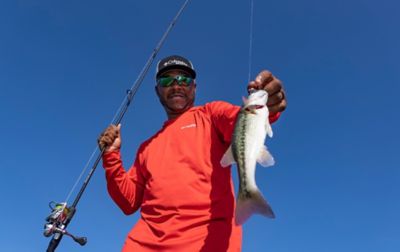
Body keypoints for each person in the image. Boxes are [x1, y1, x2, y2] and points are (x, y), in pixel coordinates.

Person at [98, 55, 287, 252]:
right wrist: (111, 156)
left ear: (194, 87)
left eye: (184, 79)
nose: (176, 85)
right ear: (157, 91)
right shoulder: (146, 147)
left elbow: (241, 121)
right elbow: (128, 202)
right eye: (167, 80)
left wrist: (269, 104)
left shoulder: (212, 114)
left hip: (207, 243)